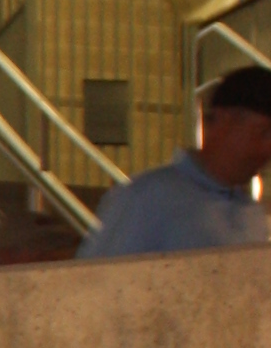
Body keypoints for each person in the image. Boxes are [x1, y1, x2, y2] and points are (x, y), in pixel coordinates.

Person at [76, 61, 271, 259]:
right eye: (263, 133)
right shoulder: (149, 199)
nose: (267, 149)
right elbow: (100, 275)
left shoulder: (249, 213)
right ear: (224, 120)